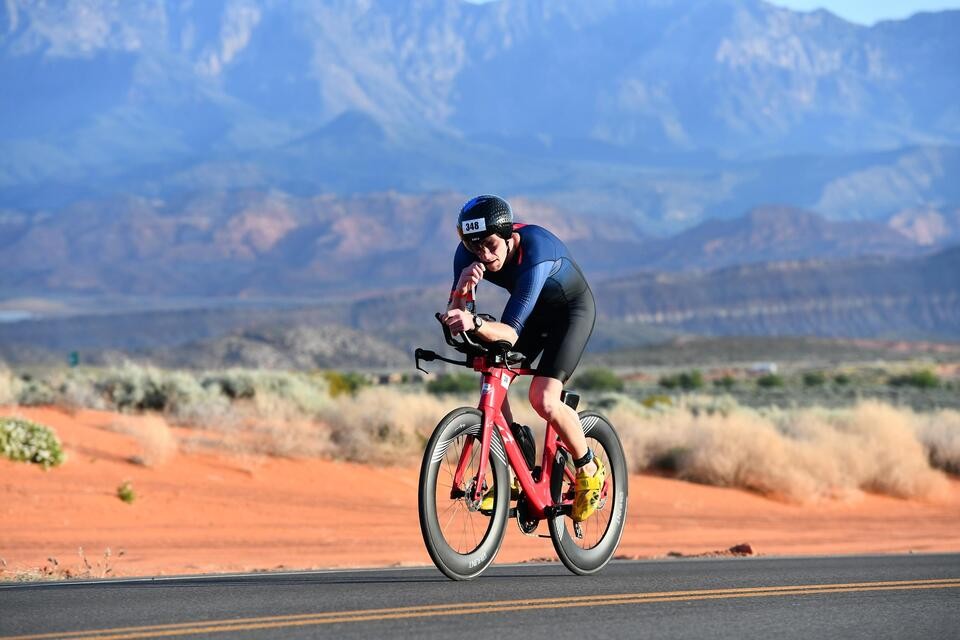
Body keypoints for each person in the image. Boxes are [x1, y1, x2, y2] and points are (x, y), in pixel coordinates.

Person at [440, 194, 603, 522]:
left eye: (490, 245)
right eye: (475, 248)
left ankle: (588, 468)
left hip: (570, 313)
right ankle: (516, 459)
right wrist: (460, 289)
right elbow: (456, 314)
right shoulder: (467, 253)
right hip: (533, 315)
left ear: (508, 236)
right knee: (493, 371)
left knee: (542, 398)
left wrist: (477, 322)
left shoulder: (535, 253)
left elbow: (511, 333)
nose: (484, 256)